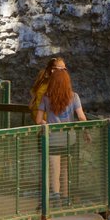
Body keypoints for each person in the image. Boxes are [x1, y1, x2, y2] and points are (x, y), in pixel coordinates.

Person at [34, 58, 87, 199]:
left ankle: (56, 198)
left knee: (54, 169)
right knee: (65, 170)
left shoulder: (46, 97)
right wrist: (86, 132)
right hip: (69, 138)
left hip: (53, 139)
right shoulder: (74, 96)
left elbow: (38, 120)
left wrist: (45, 123)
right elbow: (81, 117)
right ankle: (65, 198)